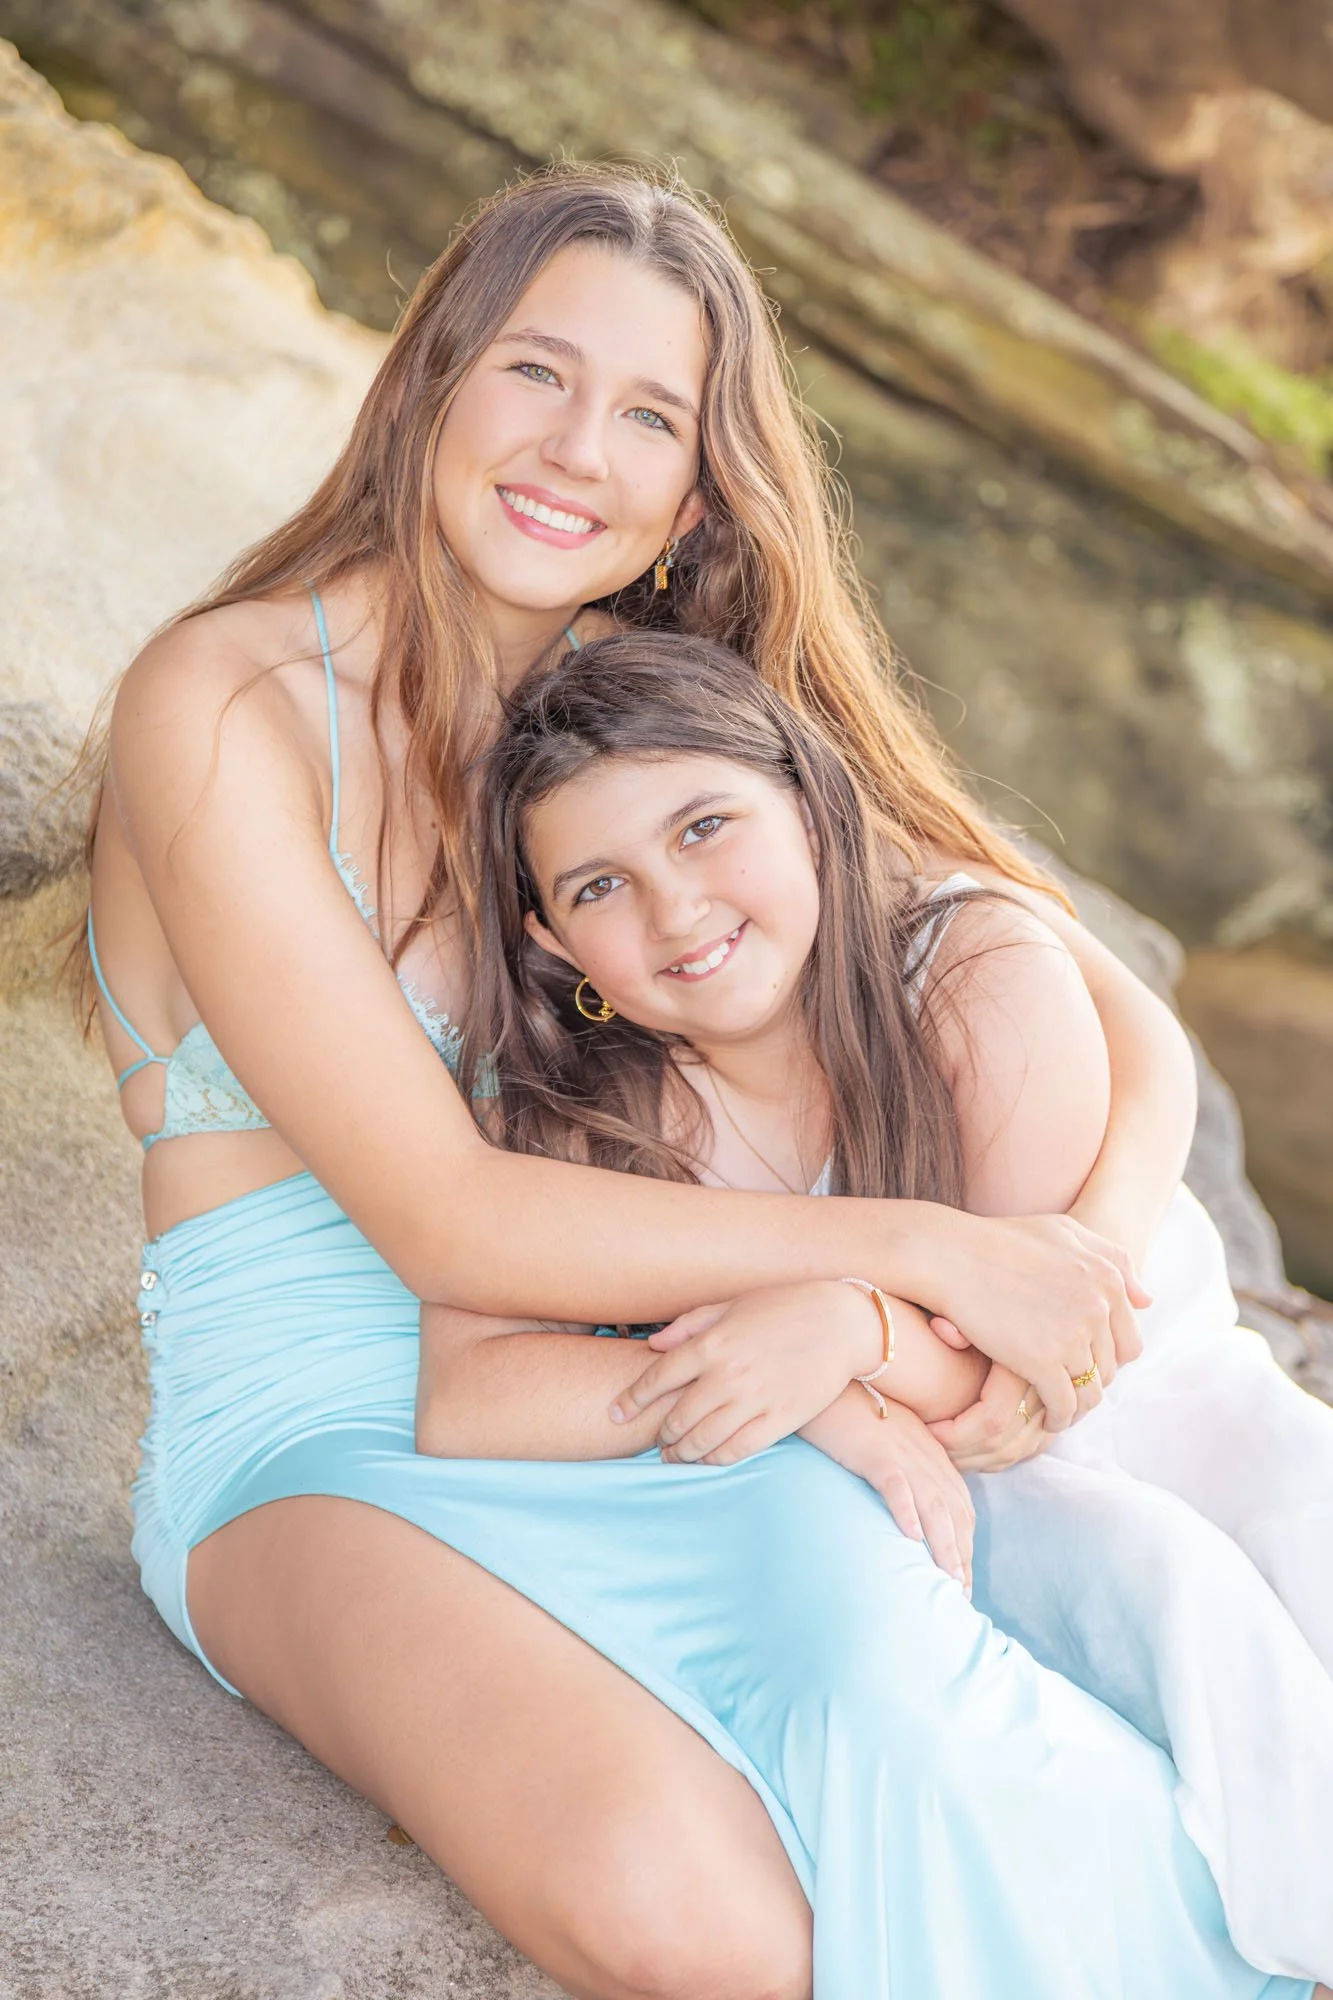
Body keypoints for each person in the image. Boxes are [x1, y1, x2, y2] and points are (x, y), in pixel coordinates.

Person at [79, 162, 1314, 1998]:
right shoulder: (230, 706)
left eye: (651, 413)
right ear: (430, 375)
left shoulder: (634, 706)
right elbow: (446, 1219)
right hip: (330, 1437)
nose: (579, 448)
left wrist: (1079, 1247)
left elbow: (1088, 985)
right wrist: (924, 1262)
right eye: (536, 373)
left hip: (650, 1378)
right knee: (694, 1921)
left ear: (695, 485)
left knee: (920, 1693)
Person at [417, 626, 1333, 1986]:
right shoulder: (600, 1110)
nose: (676, 909)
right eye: (603, 883)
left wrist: (840, 1330)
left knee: (1289, 1519)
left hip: (1139, 1387)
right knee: (1156, 1585)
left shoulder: (969, 974)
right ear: (556, 942)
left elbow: (1039, 1370)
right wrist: (833, 1403)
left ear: (810, 803)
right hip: (980, 1485)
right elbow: (467, 1392)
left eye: (708, 825)